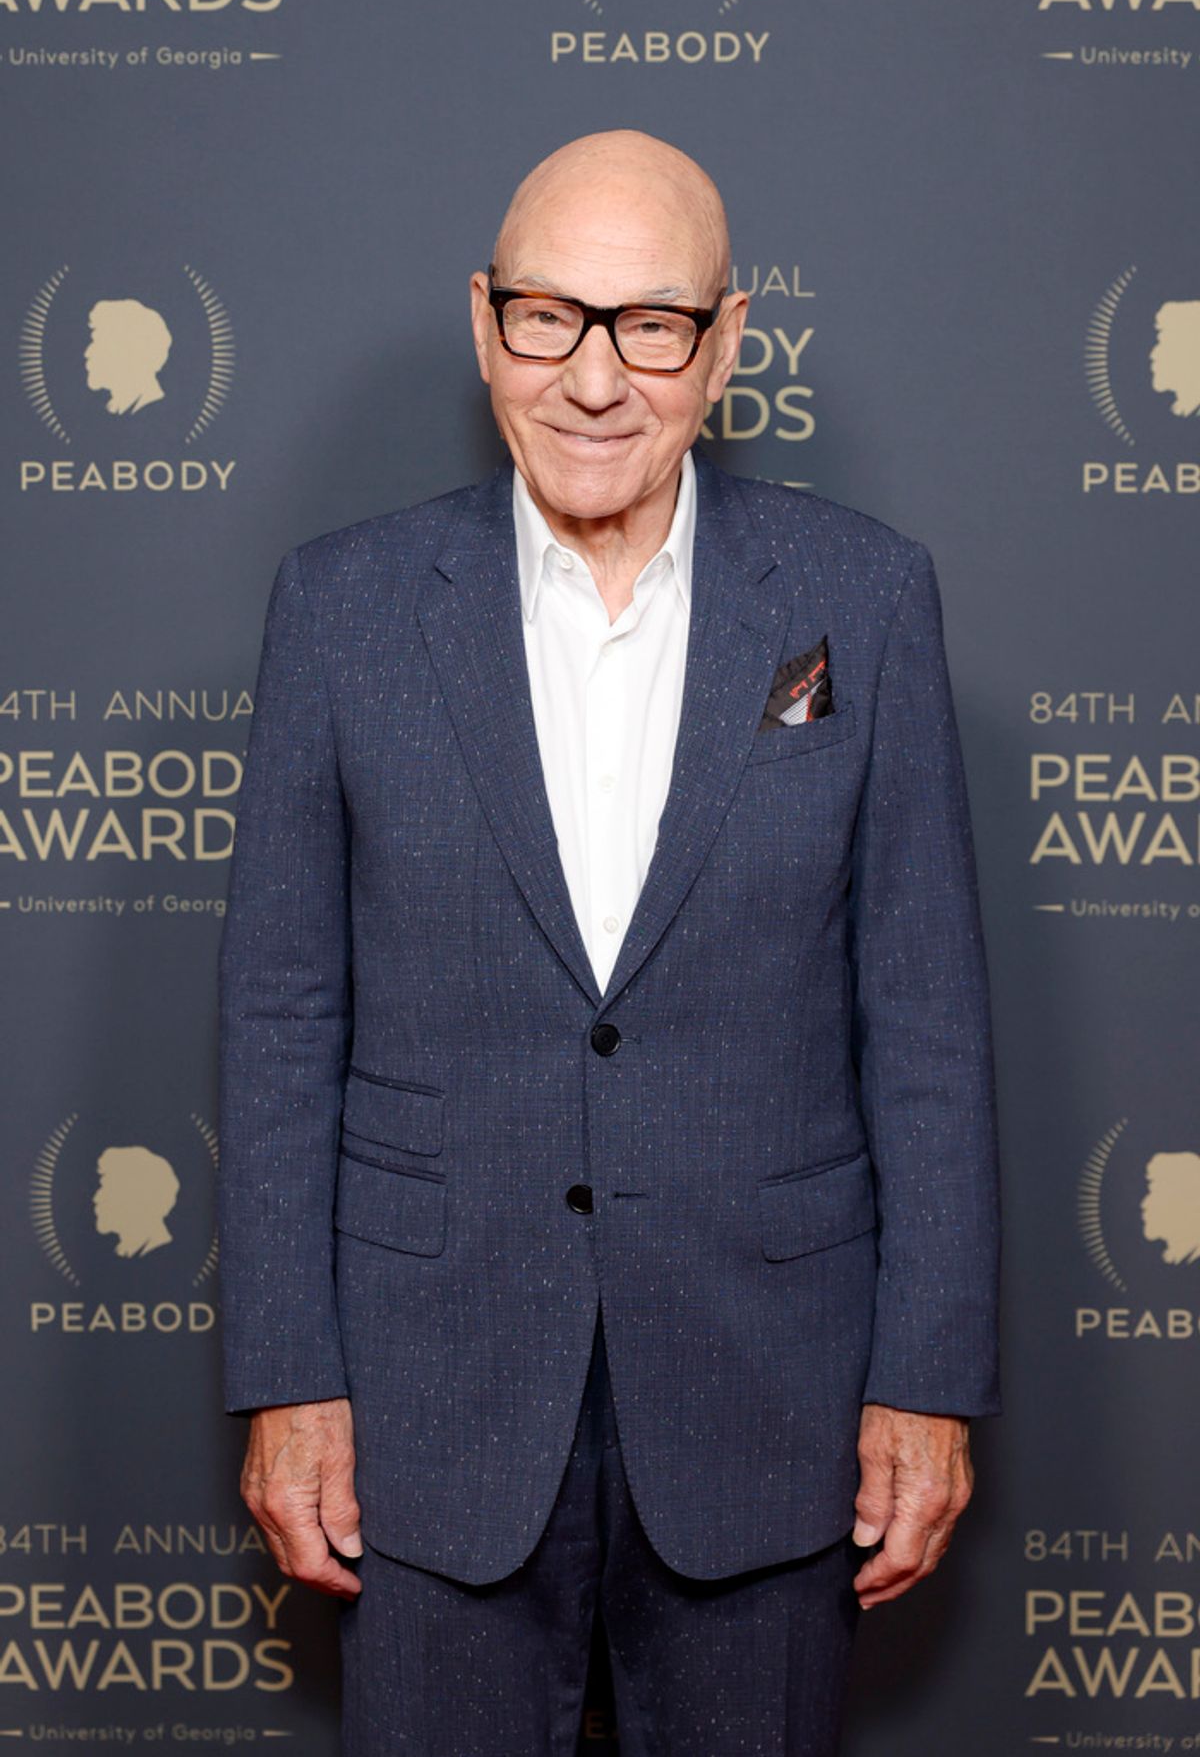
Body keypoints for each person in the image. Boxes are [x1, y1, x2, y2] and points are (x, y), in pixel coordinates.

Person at [217, 128, 1001, 1756]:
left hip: (767, 1402)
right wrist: (287, 1377)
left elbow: (924, 1022)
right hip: (428, 1421)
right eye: (549, 317)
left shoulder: (868, 600)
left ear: (723, 343)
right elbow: (283, 1017)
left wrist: (926, 1383)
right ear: (485, 323)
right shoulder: (342, 608)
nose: (593, 378)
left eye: (648, 323)